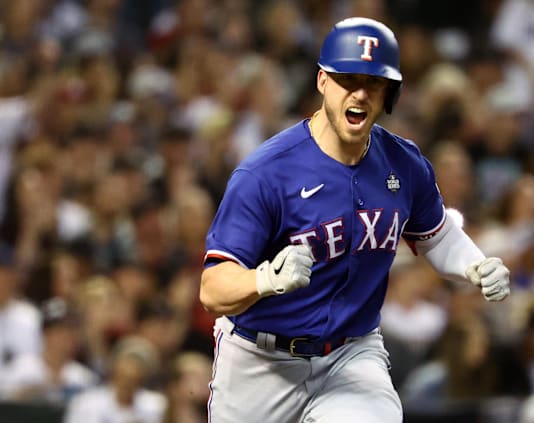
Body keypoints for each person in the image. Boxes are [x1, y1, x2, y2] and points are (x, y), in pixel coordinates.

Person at [199, 17, 511, 423]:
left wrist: (473, 264)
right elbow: (212, 289)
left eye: (374, 82)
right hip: (260, 361)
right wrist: (264, 280)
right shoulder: (266, 173)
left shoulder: (404, 163)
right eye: (348, 79)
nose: (360, 94)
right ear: (323, 81)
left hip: (351, 354)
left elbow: (435, 235)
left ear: (390, 93)